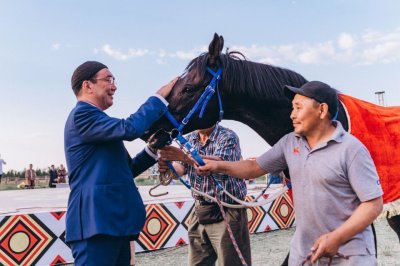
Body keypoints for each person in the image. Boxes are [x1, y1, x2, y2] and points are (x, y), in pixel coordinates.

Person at [197, 81, 383, 265]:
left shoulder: (352, 150)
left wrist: (336, 237)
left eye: (298, 108)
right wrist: (218, 166)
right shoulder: (289, 142)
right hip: (304, 253)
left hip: (349, 256)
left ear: (322, 110)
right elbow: (254, 168)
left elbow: (373, 204)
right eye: (292, 108)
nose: (292, 115)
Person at [64, 61, 177, 266]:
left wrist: (152, 149)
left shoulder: (99, 123)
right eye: (108, 79)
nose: (114, 86)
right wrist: (158, 98)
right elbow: (131, 128)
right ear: (87, 86)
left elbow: (127, 170)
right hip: (95, 224)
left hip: (114, 224)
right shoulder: (82, 114)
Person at [158, 124, 251, 266]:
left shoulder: (228, 136)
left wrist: (184, 156)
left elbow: (220, 164)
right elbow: (180, 169)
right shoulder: (189, 138)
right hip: (200, 210)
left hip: (227, 210)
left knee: (232, 262)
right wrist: (168, 165)